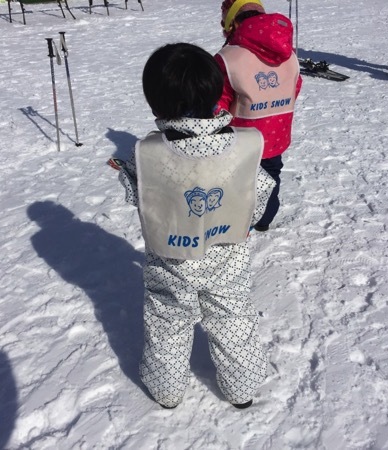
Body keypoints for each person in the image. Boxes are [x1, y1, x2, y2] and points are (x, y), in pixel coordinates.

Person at [108, 43, 276, 409]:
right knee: (232, 319)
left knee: (167, 323)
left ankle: (167, 391)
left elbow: (145, 199)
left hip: (171, 261)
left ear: (156, 104)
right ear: (217, 93)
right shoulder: (241, 147)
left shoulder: (149, 154)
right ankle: (242, 387)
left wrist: (127, 171)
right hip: (226, 258)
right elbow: (260, 190)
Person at [215, 0, 302, 232]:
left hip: (241, 138)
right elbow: (295, 84)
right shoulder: (288, 53)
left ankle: (236, 224)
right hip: (277, 133)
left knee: (239, 180)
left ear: (232, 22)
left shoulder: (228, 58)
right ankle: (264, 219)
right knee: (271, 175)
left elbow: (218, 102)